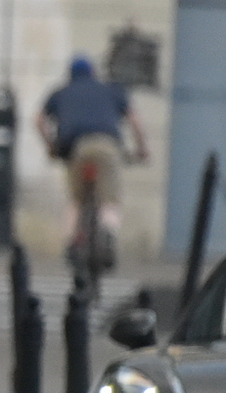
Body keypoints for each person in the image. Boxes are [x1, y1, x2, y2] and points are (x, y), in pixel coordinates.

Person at [38, 54, 148, 265]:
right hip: (108, 147)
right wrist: (142, 149)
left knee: (76, 200)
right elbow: (135, 121)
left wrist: (50, 146)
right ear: (94, 73)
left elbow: (38, 120)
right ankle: (107, 233)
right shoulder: (111, 90)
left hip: (75, 148)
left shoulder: (61, 92)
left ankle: (71, 242)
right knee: (109, 200)